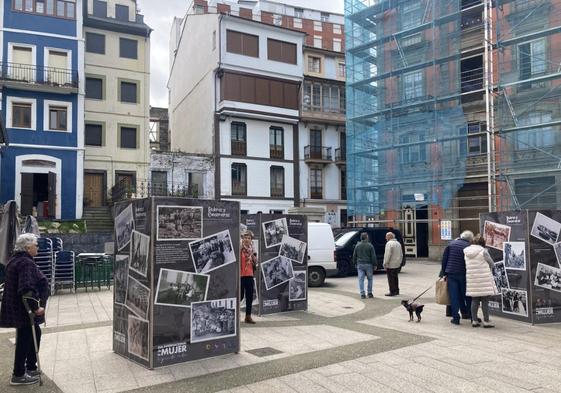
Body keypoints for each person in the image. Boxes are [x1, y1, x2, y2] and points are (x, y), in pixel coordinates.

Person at [0, 233, 48, 385]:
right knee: (25, 338)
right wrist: (35, 308)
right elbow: (26, 288)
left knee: (29, 335)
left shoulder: (15, 260)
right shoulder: (26, 263)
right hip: (23, 309)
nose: (37, 247)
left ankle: (29, 368)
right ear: (28, 248)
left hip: (17, 307)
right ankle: (19, 373)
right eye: (35, 245)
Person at [440, 230, 473, 325]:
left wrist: (444, 273)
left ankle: (455, 318)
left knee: (454, 296)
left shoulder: (451, 244)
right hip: (464, 273)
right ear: (470, 239)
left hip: (451, 273)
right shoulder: (469, 246)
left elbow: (444, 259)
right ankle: (470, 315)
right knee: (467, 295)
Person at [464, 234, 497, 328]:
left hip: (472, 279)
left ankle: (474, 320)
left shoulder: (466, 252)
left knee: (474, 300)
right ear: (482, 243)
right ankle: (486, 321)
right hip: (484, 279)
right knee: (485, 301)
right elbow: (492, 263)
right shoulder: (483, 251)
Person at [352, 232, 377, 299]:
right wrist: (375, 264)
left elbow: (354, 255)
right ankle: (369, 293)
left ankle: (362, 294)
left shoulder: (357, 245)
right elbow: (373, 256)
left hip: (360, 264)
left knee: (361, 279)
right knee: (370, 279)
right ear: (367, 237)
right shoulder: (370, 245)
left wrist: (354, 263)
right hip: (368, 264)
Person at [240, 230, 257, 324]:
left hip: (250, 275)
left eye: (249, 238)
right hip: (241, 275)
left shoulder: (253, 250)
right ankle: (234, 315)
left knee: (249, 297)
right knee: (240, 296)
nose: (247, 239)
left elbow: (255, 262)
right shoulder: (240, 249)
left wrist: (253, 257)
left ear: (251, 240)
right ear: (242, 239)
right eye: (245, 237)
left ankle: (248, 316)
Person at [383, 232, 403, 296]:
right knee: (395, 277)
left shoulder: (389, 243)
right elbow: (401, 254)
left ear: (390, 237)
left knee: (390, 279)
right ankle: (397, 290)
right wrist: (399, 262)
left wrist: (385, 263)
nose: (385, 238)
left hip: (390, 264)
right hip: (397, 264)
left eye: (386, 236)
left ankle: (392, 291)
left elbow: (387, 255)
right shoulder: (398, 243)